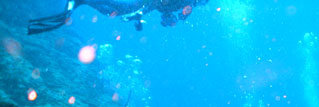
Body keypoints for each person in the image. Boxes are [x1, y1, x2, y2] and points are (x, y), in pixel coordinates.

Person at [27, 0, 209, 34]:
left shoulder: (183, 7)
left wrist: (137, 18)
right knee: (120, 10)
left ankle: (83, 1)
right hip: (145, 4)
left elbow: (164, 13)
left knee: (117, 12)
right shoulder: (188, 3)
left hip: (146, 6)